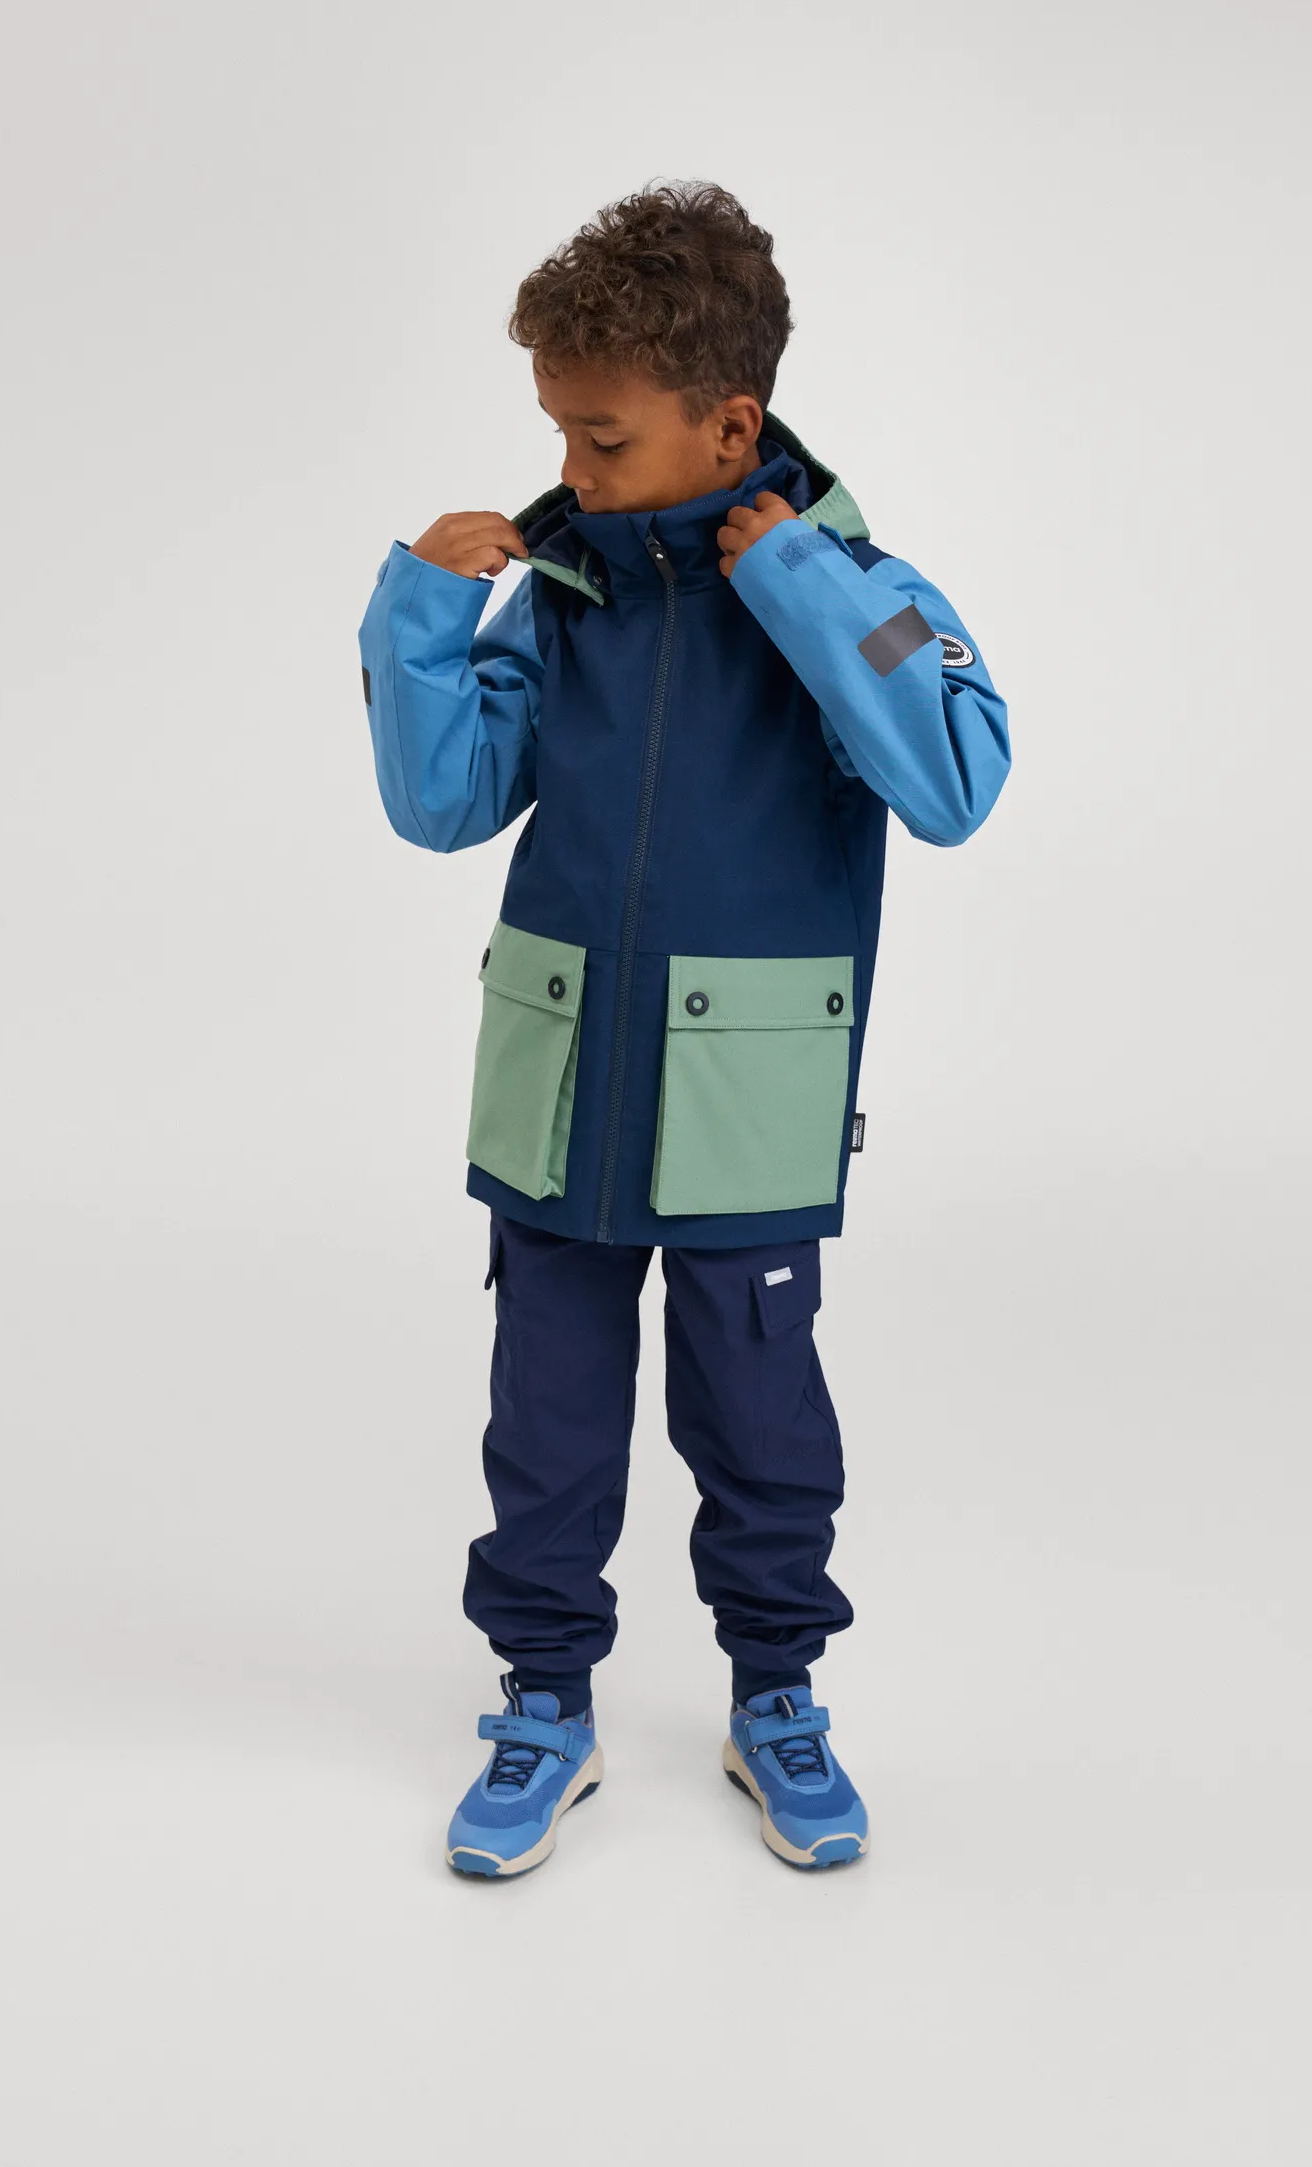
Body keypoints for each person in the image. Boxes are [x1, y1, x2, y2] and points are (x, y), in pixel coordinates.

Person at [359, 182, 1010, 1876]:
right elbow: (445, 803)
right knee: (547, 1420)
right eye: (559, 435)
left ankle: (776, 1693)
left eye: (603, 438)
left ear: (729, 424)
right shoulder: (567, 591)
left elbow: (955, 777)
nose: (572, 472)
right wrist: (419, 614)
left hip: (747, 1096)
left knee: (762, 1419)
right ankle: (543, 1700)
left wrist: (795, 581)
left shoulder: (849, 584)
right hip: (564, 1083)